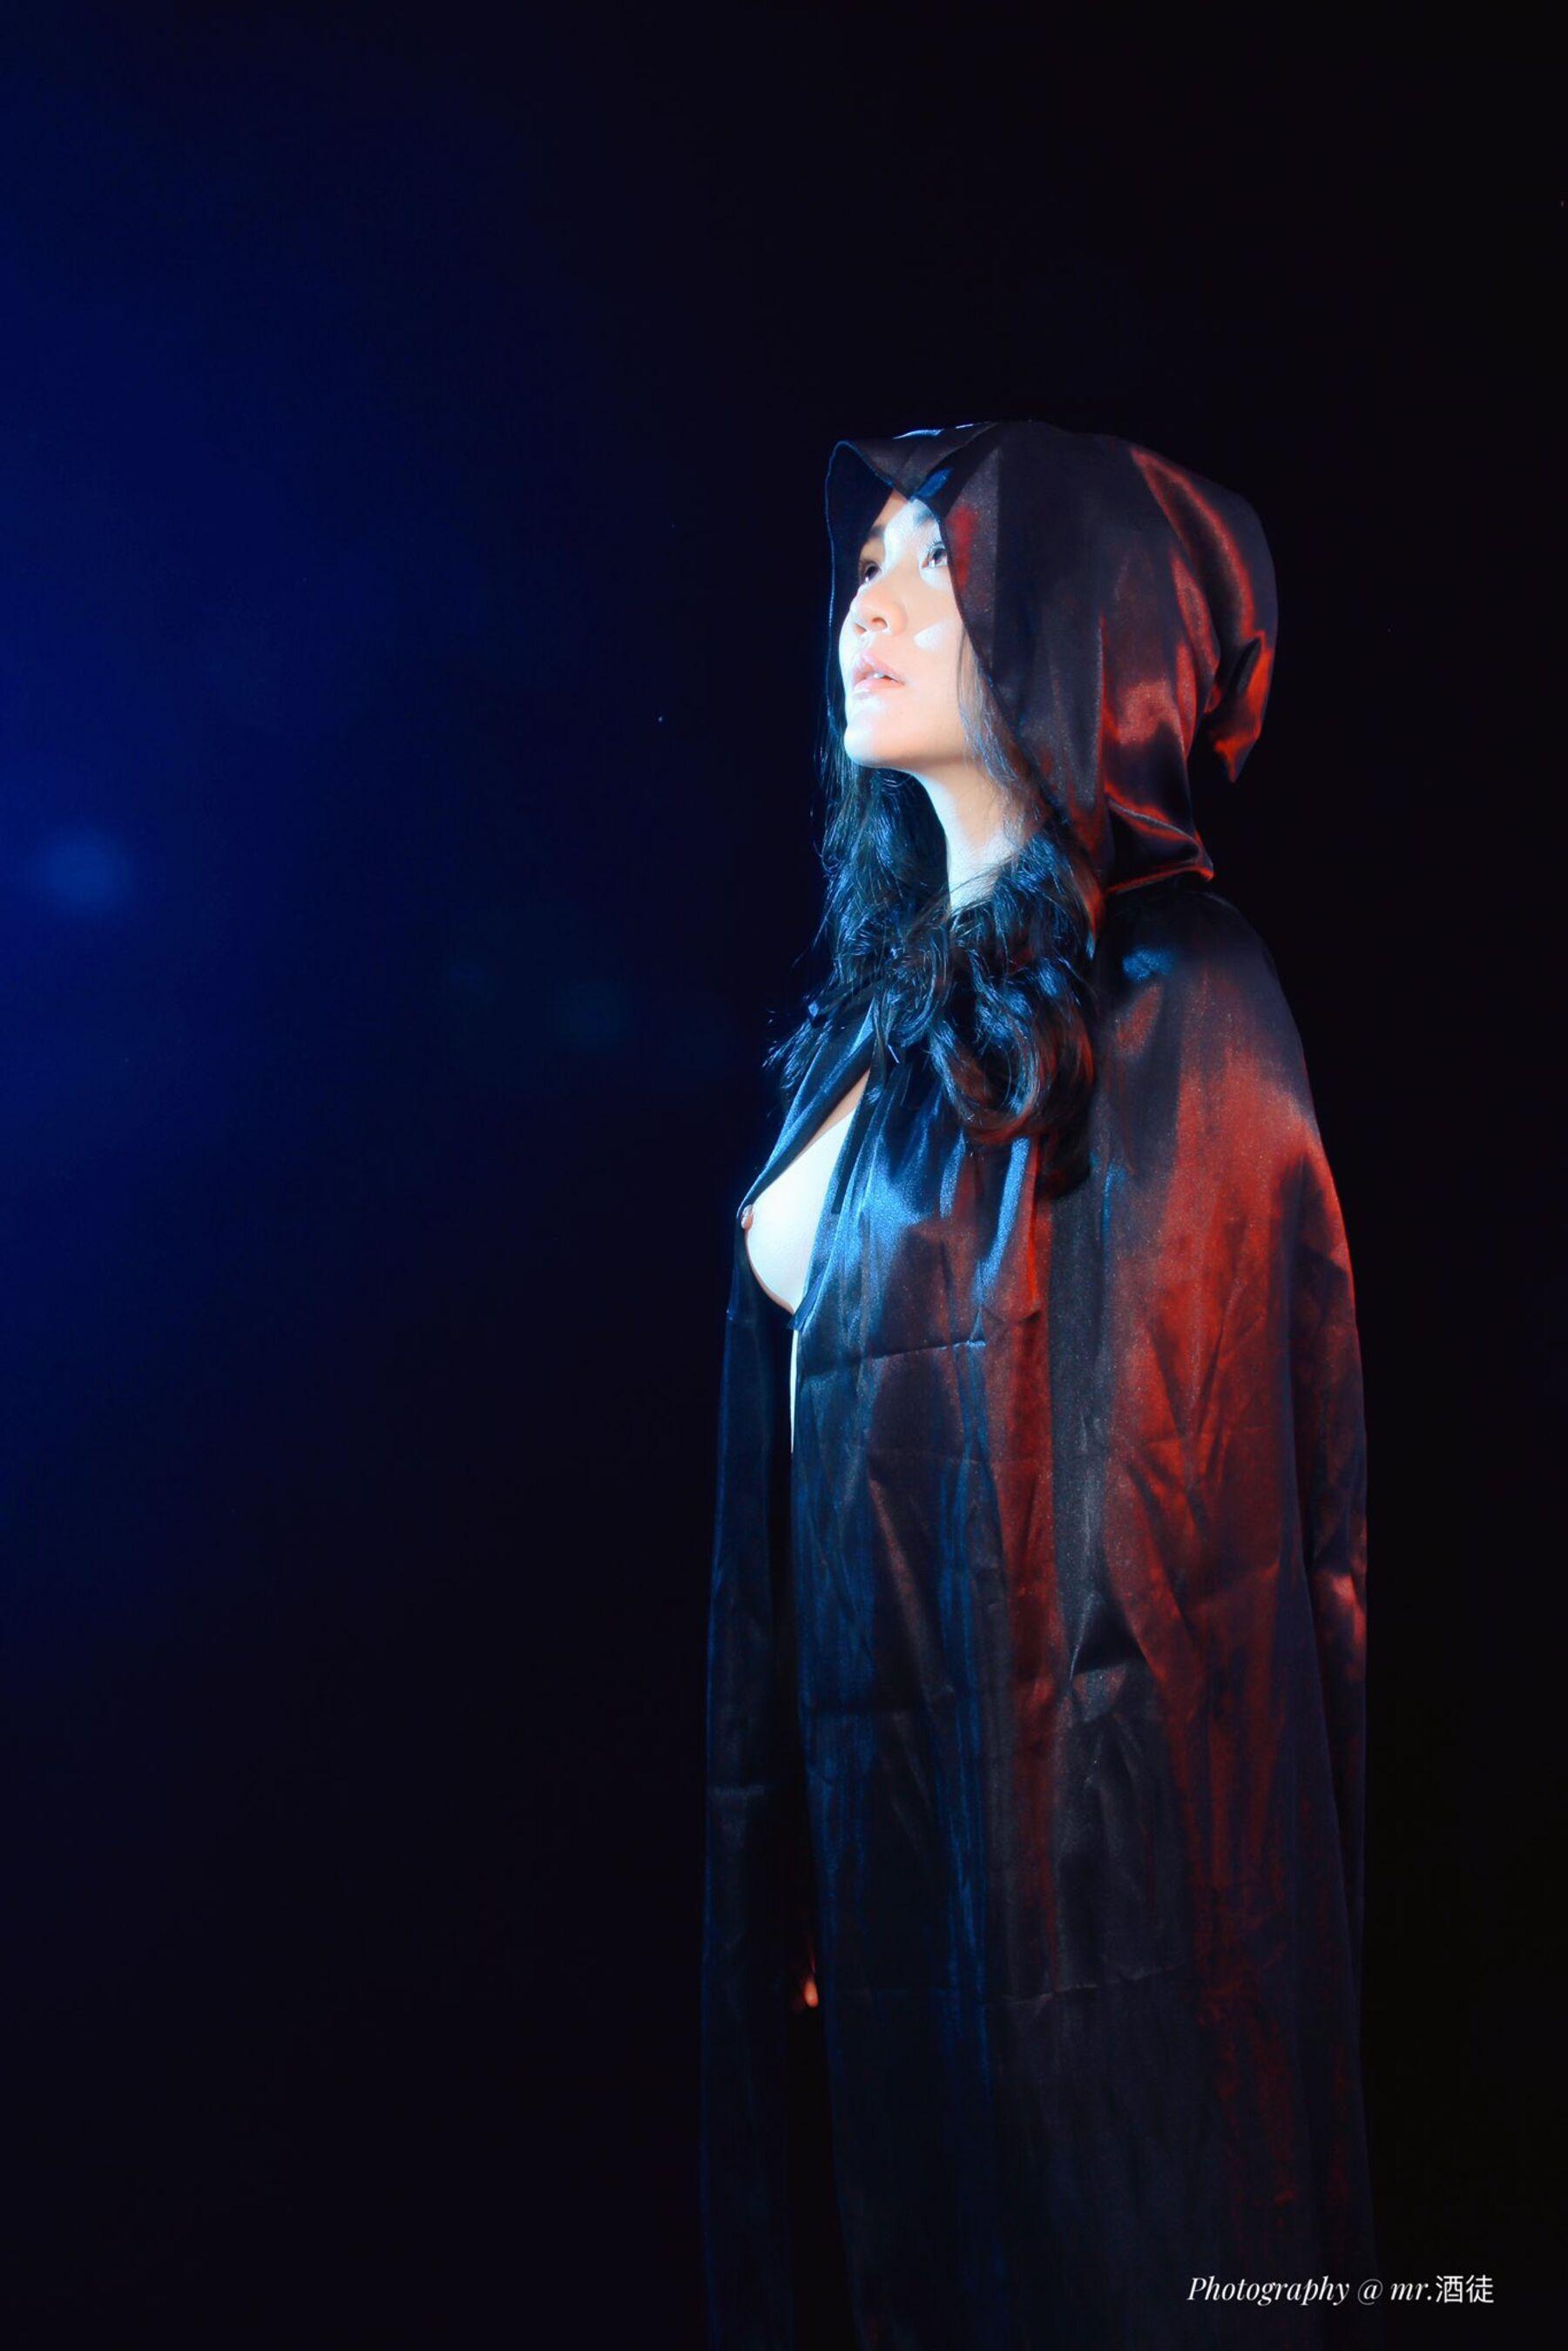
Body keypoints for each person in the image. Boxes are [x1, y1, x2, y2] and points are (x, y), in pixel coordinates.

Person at [700, 419, 1380, 2349]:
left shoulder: (1182, 1006)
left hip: (1093, 1917)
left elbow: (1181, 1559)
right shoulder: (885, 1012)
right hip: (888, 1855)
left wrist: (1035, 1896)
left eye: (944, 563)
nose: (874, 604)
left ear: (1081, 625)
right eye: (868, 563)